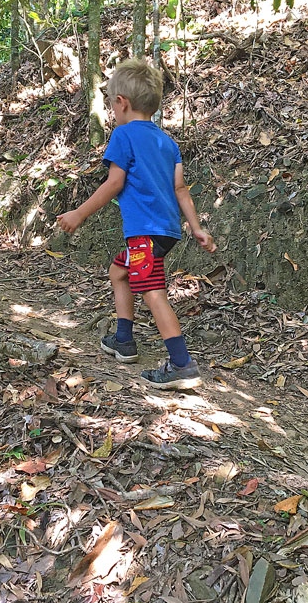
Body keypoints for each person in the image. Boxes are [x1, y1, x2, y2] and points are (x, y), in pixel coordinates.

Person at [57, 59, 216, 390]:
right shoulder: (167, 143)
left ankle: (182, 364)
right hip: (166, 232)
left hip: (143, 235)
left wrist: (79, 214)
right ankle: (124, 340)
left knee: (153, 292)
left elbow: (114, 183)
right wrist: (196, 227)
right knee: (119, 272)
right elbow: (180, 190)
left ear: (121, 103)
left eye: (111, 104)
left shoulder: (123, 135)